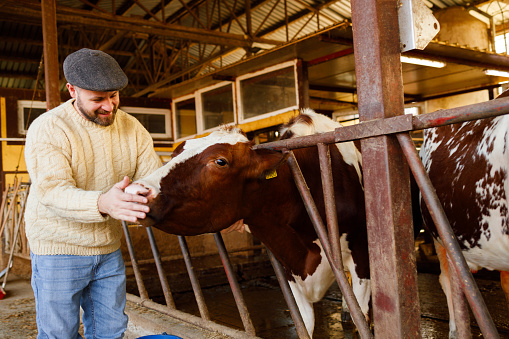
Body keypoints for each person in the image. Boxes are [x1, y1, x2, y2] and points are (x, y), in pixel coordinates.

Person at [24, 48, 162, 338]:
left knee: (111, 330)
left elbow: (153, 174)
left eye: (113, 96)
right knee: (59, 333)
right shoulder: (49, 127)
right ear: (72, 90)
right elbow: (52, 190)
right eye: (98, 99)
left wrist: (144, 190)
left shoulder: (131, 127)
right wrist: (103, 203)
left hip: (107, 247)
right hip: (58, 249)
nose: (109, 107)